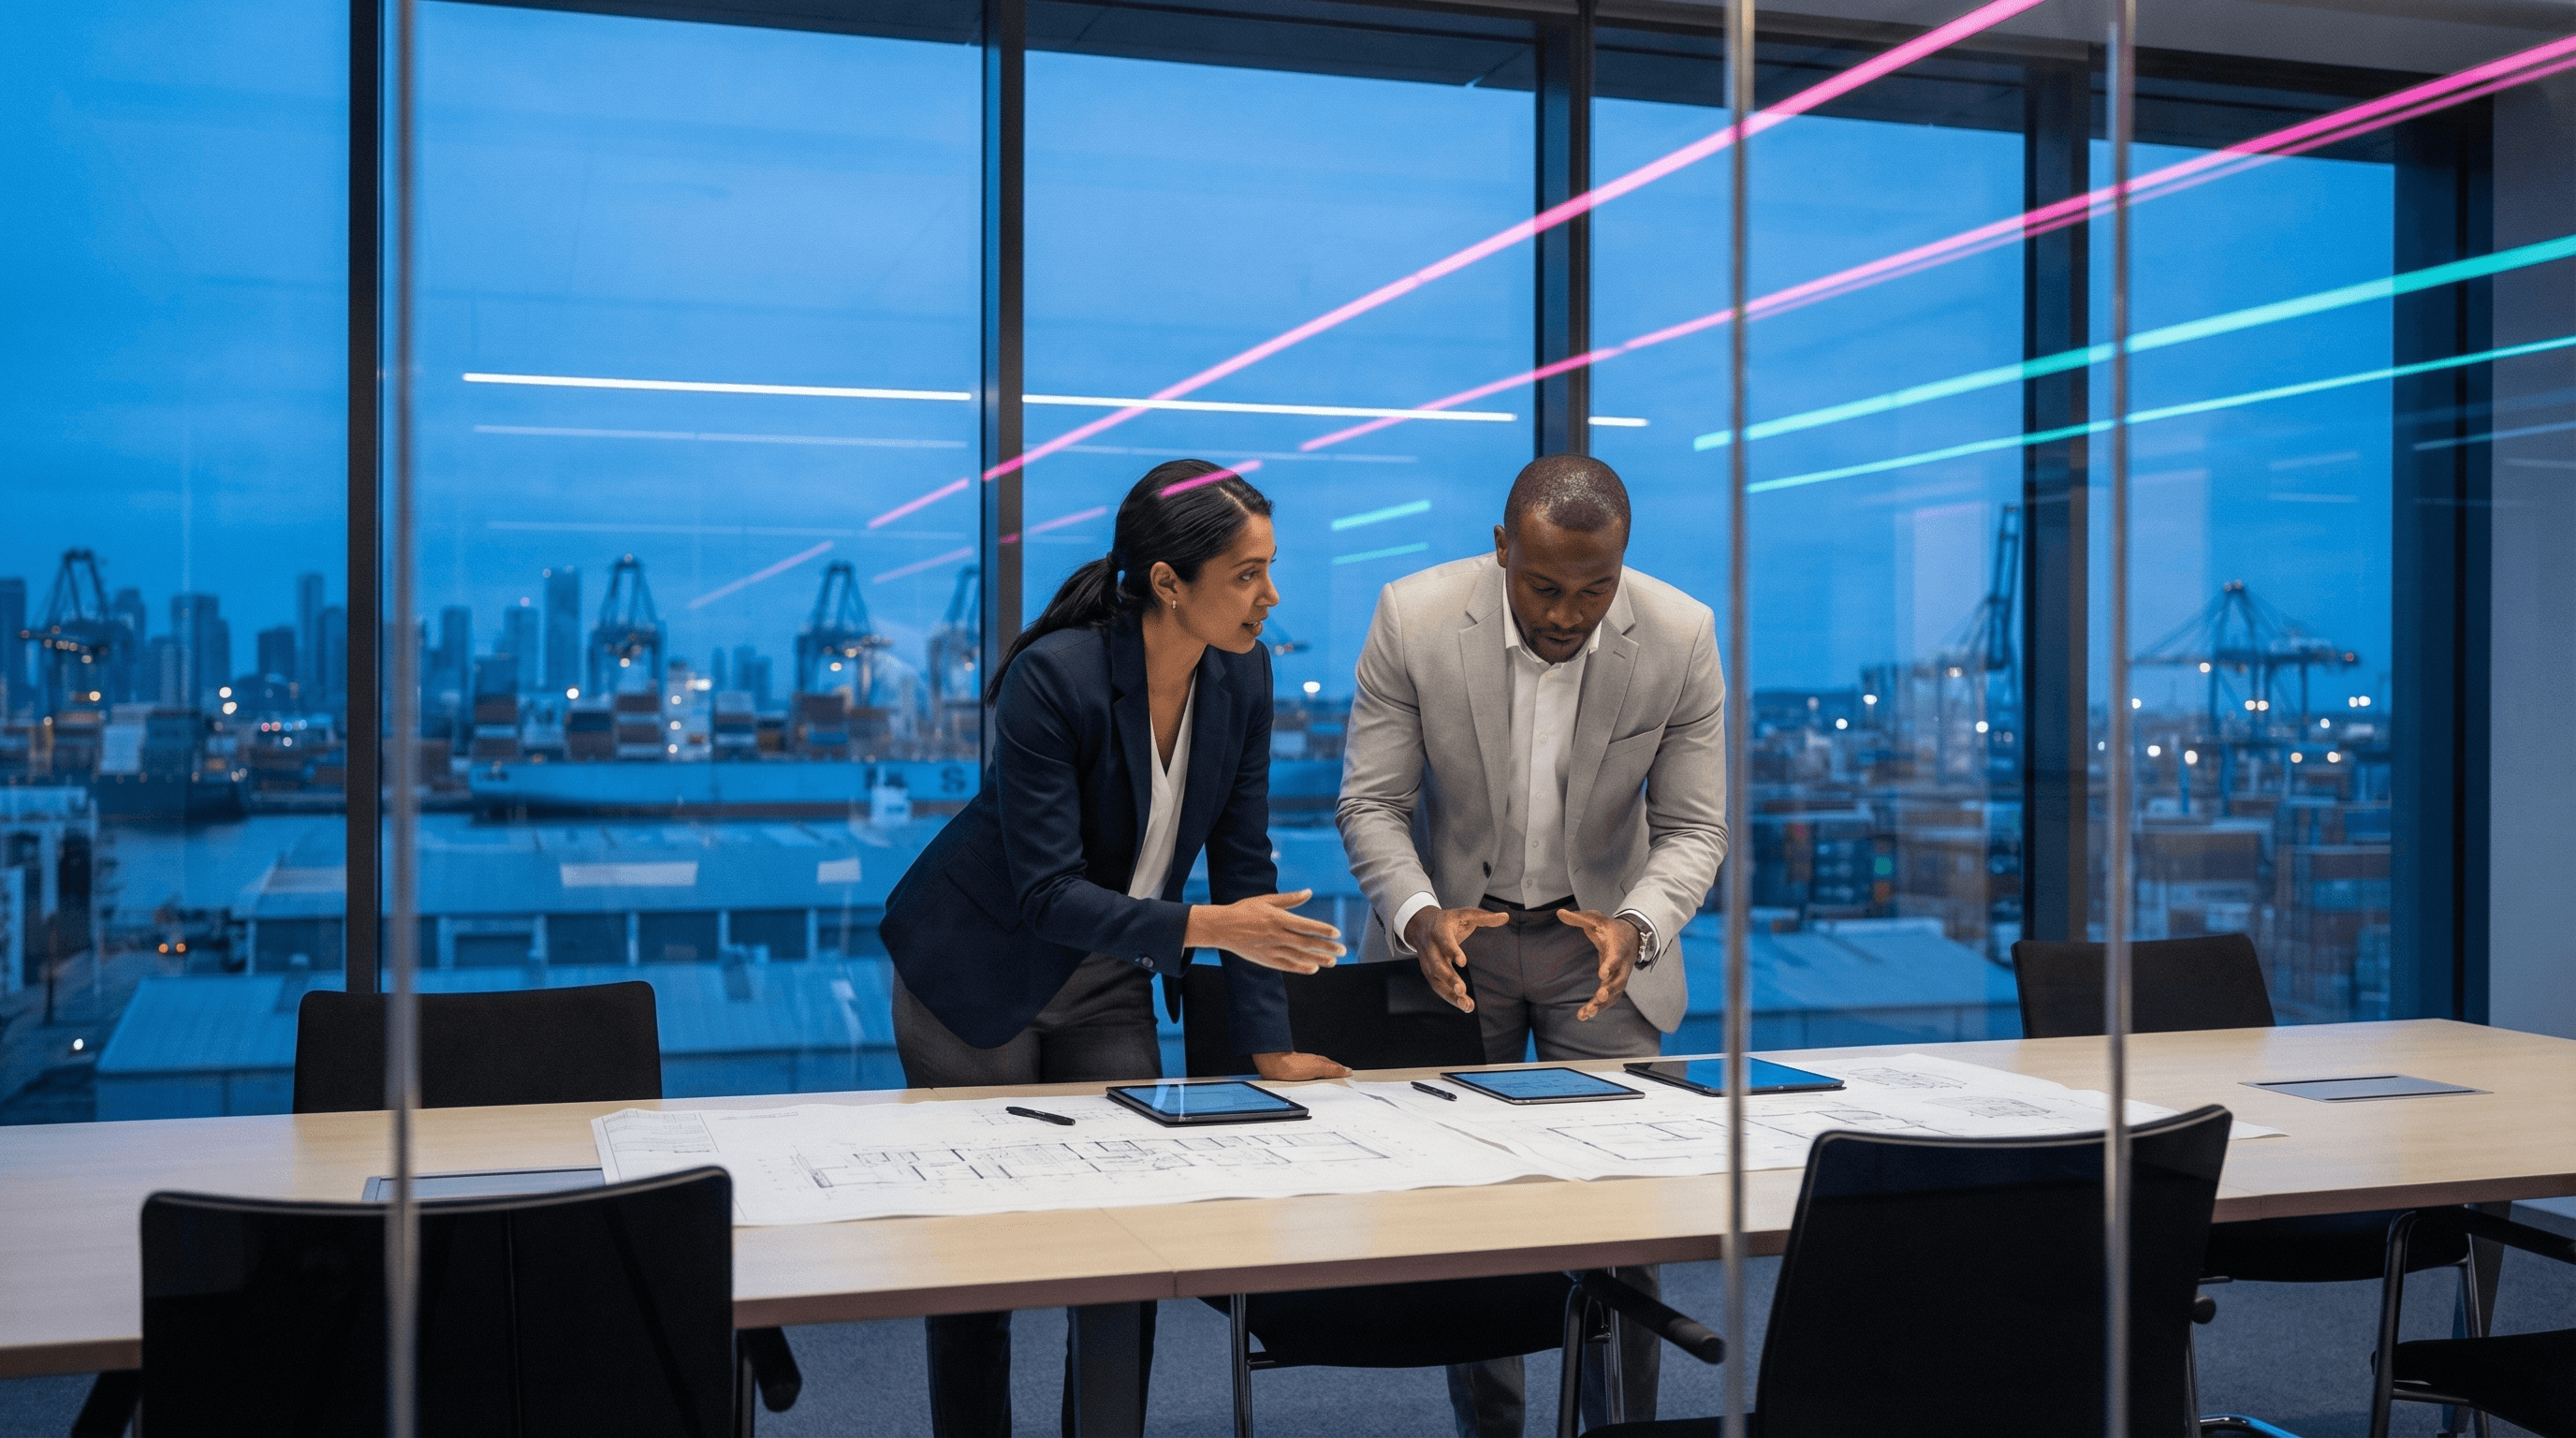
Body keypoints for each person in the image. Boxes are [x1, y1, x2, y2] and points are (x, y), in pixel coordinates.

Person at [879, 458, 1350, 1437]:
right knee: (981, 1253)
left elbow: (1243, 860)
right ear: (1169, 583)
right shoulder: (1056, 676)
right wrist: (1210, 929)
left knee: (1129, 1238)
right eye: (1248, 573)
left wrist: (1267, 1045)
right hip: (977, 966)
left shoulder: (1244, 673)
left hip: (1108, 970)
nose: (1270, 595)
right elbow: (1047, 893)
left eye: (1271, 568)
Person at [1336, 453, 1727, 1437]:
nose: (1567, 614)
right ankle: (1493, 1429)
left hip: (1598, 946)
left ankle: (1619, 1430)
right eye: (1545, 586)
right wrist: (1417, 913)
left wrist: (1639, 923)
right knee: (1473, 1216)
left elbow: (1694, 828)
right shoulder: (1416, 618)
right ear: (1502, 547)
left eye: (1595, 590)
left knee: (1623, 1219)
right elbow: (1371, 804)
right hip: (1453, 942)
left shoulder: (1680, 633)